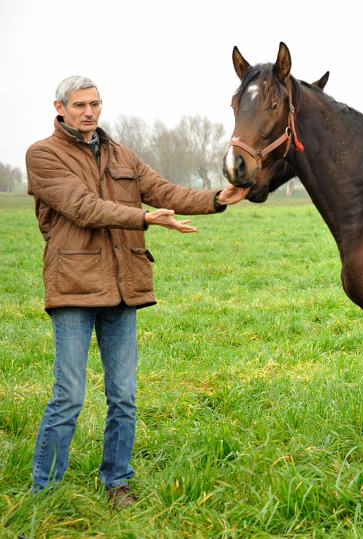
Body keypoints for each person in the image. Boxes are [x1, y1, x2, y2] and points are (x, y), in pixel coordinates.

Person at [25, 75, 249, 508]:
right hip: (74, 287)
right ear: (59, 108)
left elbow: (165, 191)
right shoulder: (43, 155)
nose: (89, 112)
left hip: (124, 287)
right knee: (68, 396)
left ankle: (117, 483)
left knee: (123, 396)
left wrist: (217, 198)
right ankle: (45, 491)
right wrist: (146, 219)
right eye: (79, 105)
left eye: (95, 103)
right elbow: (82, 208)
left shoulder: (121, 154)